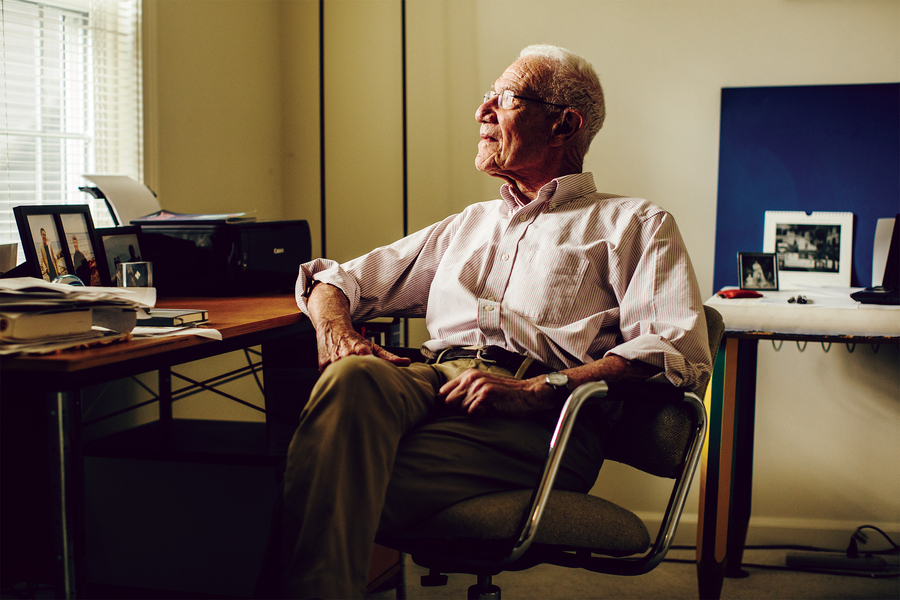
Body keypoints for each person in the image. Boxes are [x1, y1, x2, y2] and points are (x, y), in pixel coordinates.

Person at [280, 44, 712, 599]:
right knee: (352, 376)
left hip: (545, 420)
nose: (482, 112)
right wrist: (337, 333)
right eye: (485, 97)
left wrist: (536, 389)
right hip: (436, 383)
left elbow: (677, 353)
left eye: (503, 99)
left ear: (564, 124)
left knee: (315, 480)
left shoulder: (633, 224)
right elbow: (334, 281)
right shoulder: (469, 224)